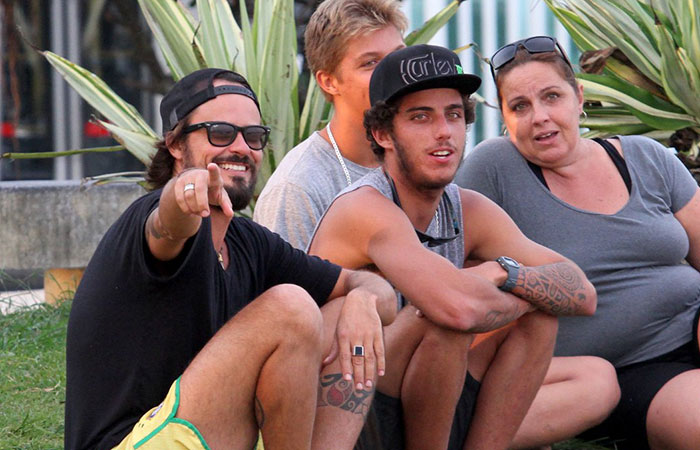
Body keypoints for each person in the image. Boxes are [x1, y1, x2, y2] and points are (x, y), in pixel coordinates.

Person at [64, 68, 397, 450]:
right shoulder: (151, 219)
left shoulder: (250, 243)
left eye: (253, 136)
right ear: (175, 145)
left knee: (343, 315)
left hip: (199, 432)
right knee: (291, 307)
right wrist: (180, 193)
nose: (240, 147)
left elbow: (377, 292)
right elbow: (169, 226)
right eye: (220, 132)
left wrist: (362, 299)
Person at [308, 44, 607, 450]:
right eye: (420, 117)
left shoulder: (467, 207)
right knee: (446, 320)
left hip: (422, 393)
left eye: (453, 115)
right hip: (343, 410)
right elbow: (458, 310)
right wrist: (529, 294)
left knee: (543, 325)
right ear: (382, 134)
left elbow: (582, 292)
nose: (444, 132)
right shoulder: (365, 207)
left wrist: (505, 273)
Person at [456, 35, 700, 450]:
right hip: (625, 372)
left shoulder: (647, 157)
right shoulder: (494, 169)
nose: (540, 117)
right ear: (505, 117)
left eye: (552, 96)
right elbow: (451, 274)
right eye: (520, 106)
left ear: (579, 96)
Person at [253, 0, 406, 250]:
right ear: (328, 81)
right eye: (370, 63)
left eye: (398, 56)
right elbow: (288, 288)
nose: (392, 72)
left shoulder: (422, 156)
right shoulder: (297, 188)